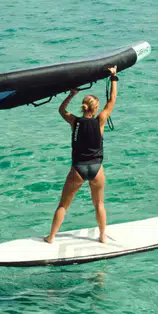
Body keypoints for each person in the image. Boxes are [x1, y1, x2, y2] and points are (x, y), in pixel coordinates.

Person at [46, 66, 118, 244]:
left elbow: (61, 110)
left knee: (63, 205)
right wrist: (114, 77)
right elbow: (112, 100)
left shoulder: (74, 121)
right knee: (99, 204)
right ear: (96, 108)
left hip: (77, 169)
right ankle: (102, 237)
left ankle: (51, 237)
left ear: (83, 106)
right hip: (96, 168)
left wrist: (71, 94)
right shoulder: (100, 120)